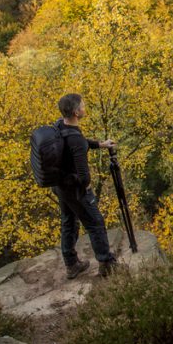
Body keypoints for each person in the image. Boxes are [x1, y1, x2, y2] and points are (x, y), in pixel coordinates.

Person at [53, 92, 123, 278]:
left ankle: (72, 264)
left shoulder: (60, 126)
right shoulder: (75, 139)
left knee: (68, 222)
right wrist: (86, 187)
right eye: (82, 106)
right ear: (76, 112)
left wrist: (100, 144)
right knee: (95, 223)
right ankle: (107, 264)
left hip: (60, 187)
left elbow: (78, 142)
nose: (85, 107)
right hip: (75, 190)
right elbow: (84, 176)